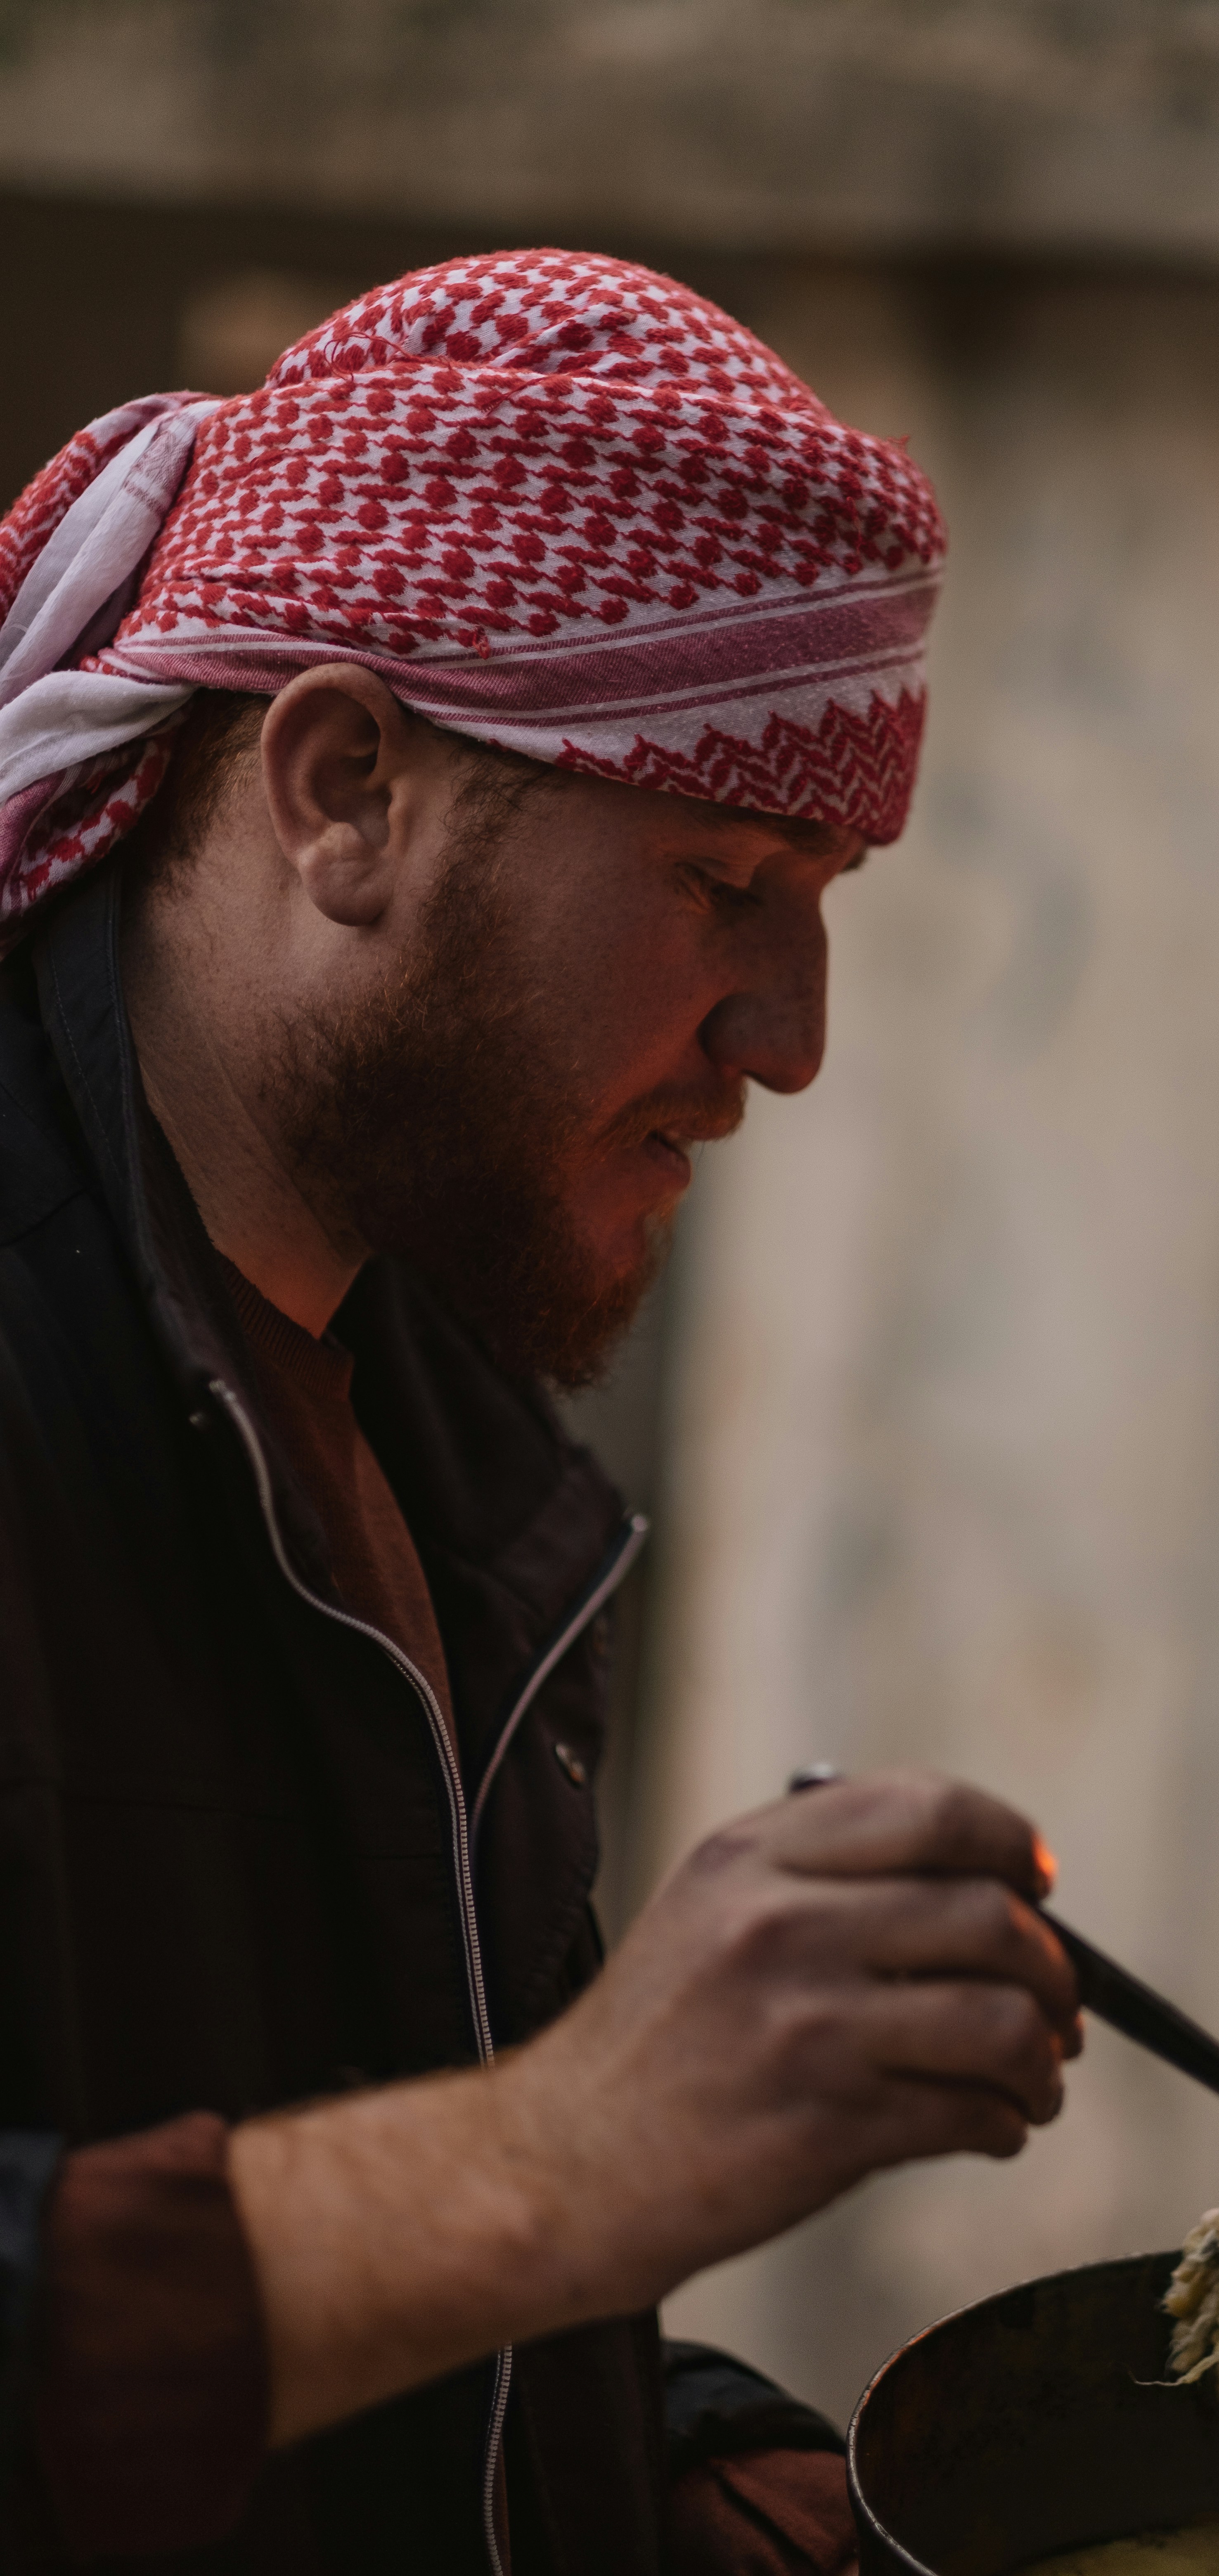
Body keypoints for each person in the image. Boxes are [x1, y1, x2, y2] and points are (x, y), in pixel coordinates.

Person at [0, 250, 1082, 2573]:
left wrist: (674, 2466)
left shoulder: (441, 1423)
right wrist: (567, 2152)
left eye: (822, 898)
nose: (790, 1039)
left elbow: (367, 2246)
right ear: (345, 790)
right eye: (723, 881)